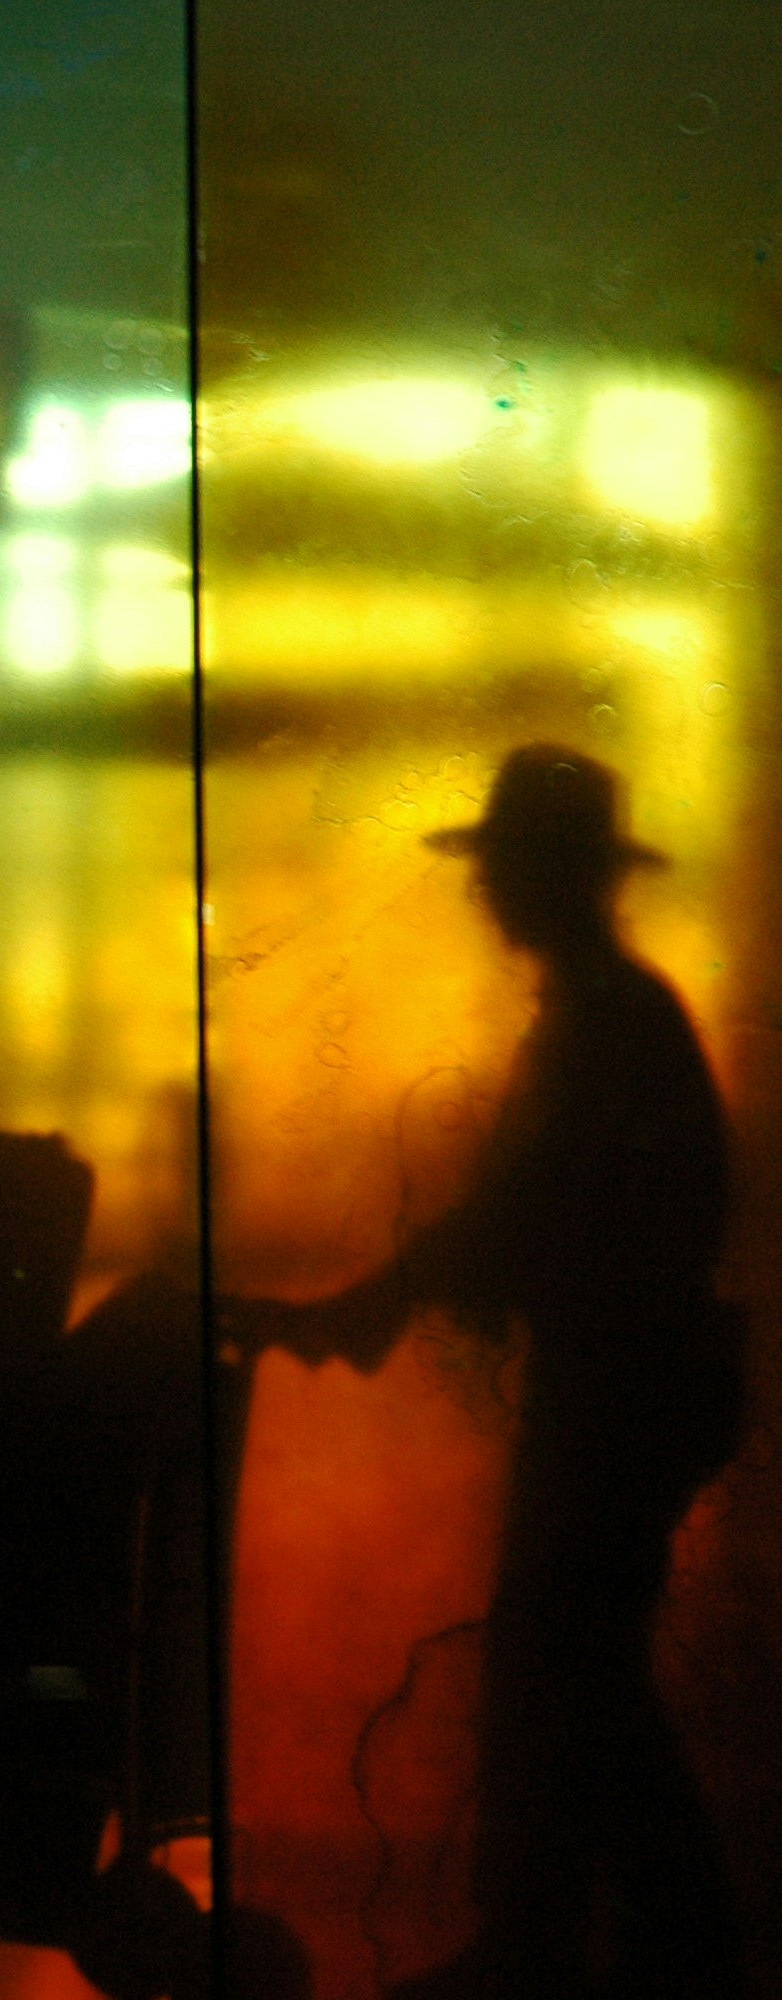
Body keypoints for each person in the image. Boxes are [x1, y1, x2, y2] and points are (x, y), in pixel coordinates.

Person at [249, 745, 746, 1999]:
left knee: (563, 1670)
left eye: (502, 865)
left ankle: (598, 1943)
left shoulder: (607, 1022)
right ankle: (621, 1941)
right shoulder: (608, 1014)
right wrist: (381, 1299)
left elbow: (528, 1210)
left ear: (540, 876)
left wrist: (373, 1301)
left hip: (613, 1399)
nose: (484, 895)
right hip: (620, 1392)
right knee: (573, 1673)